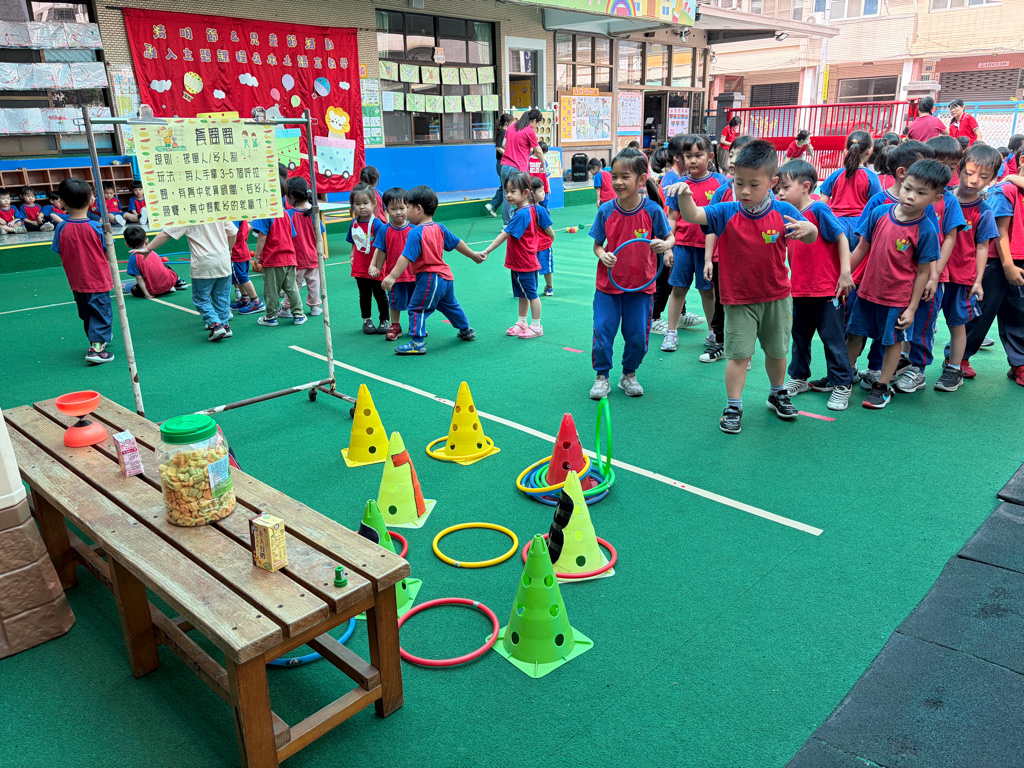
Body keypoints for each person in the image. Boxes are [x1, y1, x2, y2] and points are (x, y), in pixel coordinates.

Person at [672, 140, 817, 433]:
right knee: (738, 356)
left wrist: (810, 229)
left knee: (777, 352)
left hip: (777, 297)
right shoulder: (726, 211)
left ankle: (777, 393)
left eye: (754, 184)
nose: (745, 191)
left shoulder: (783, 210)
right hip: (738, 300)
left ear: (772, 183)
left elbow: (811, 236)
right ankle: (733, 405)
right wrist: (685, 195)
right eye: (739, 183)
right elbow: (693, 215)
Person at [847, 159, 947, 409]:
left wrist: (912, 308)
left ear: (936, 198)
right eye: (908, 188)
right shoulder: (879, 212)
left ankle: (882, 386)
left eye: (921, 193)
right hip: (867, 292)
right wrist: (843, 273)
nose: (911, 196)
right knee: (854, 335)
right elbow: (862, 248)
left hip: (897, 300)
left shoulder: (926, 229)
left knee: (892, 341)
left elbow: (923, 272)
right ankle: (843, 377)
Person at [588, 148, 673, 399]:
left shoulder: (652, 211)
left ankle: (629, 374)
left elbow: (670, 237)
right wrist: (602, 254)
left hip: (641, 287)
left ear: (641, 179)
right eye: (614, 176)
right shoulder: (606, 210)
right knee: (603, 331)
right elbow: (597, 245)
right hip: (608, 286)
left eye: (625, 177)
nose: (618, 182)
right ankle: (602, 376)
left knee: (637, 336)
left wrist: (665, 245)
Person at [776, 160, 856, 411]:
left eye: (785, 187)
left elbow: (841, 237)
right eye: (778, 188)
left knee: (832, 339)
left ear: (805, 186)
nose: (779, 193)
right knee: (799, 336)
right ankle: (799, 377)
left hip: (826, 290)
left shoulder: (819, 209)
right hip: (799, 289)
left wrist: (845, 273)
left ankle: (842, 383)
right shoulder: (785, 215)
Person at [380, 185, 486, 355]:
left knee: (416, 308)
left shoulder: (415, 232)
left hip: (429, 278)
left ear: (419, 209)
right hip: (446, 278)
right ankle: (466, 330)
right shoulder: (439, 227)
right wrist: (473, 255)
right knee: (450, 306)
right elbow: (457, 243)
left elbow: (405, 257)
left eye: (407, 207)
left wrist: (392, 276)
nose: (406, 212)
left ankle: (417, 342)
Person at [934, 143, 1001, 392]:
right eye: (969, 173)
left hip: (962, 277)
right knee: (919, 319)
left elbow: (983, 247)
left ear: (992, 180)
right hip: (932, 274)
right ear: (959, 169)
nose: (974, 180)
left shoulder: (984, 211)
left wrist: (978, 280)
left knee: (957, 324)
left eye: (983, 177)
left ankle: (954, 368)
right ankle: (909, 364)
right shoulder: (940, 198)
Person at [958, 146, 1024, 386]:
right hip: (999, 261)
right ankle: (958, 358)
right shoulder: (1006, 190)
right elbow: (1000, 232)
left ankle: (1019, 363)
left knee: (1019, 313)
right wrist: (1008, 265)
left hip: (1020, 261)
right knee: (980, 311)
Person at [662, 134, 727, 353]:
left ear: (710, 157)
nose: (692, 160)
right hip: (682, 245)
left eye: (698, 155)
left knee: (708, 292)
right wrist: (668, 246)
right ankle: (671, 332)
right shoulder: (679, 185)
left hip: (709, 249)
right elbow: (672, 217)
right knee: (678, 289)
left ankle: (713, 331)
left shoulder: (720, 183)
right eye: (688, 156)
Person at [701, 135, 757, 363]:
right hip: (722, 258)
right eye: (732, 154)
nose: (733, 159)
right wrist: (708, 259)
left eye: (740, 155)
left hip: (749, 260)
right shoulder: (722, 192)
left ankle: (746, 350)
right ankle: (721, 343)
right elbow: (710, 226)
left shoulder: (763, 194)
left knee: (746, 304)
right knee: (722, 301)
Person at [480, 171, 554, 340]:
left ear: (526, 193)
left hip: (524, 262)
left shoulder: (521, 213)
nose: (508, 195)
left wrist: (487, 250)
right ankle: (522, 322)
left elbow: (504, 234)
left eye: (513, 191)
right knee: (522, 294)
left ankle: (536, 325)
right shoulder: (528, 210)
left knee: (531, 295)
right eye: (506, 191)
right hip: (520, 262)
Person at [137, 218, 239, 341]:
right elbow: (233, 233)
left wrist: (148, 249)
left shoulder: (188, 216)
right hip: (223, 259)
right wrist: (227, 249)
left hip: (203, 262)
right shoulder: (217, 212)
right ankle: (225, 326)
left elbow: (167, 233)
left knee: (200, 298)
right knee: (222, 296)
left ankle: (215, 325)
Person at [51, 178, 114, 363]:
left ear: (61, 202)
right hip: (98, 280)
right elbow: (108, 253)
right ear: (92, 200)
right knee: (101, 312)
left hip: (77, 281)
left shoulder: (61, 228)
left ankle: (98, 339)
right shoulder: (98, 228)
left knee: (86, 312)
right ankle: (96, 349)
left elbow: (61, 254)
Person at [820, 131, 880, 249]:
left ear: (845, 151)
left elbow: (822, 202)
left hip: (836, 224)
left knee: (837, 258)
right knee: (855, 258)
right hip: (859, 226)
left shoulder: (836, 174)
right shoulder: (871, 177)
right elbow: (876, 205)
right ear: (869, 152)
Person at [369, 187, 415, 341]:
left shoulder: (414, 229)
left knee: (415, 302)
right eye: (393, 209)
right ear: (386, 209)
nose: (398, 212)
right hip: (394, 277)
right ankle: (395, 326)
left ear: (408, 207)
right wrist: (377, 268)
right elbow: (381, 250)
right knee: (395, 303)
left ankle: (415, 325)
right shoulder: (384, 230)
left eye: (402, 208)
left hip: (414, 275)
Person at [252, 201, 306, 329]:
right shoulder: (285, 213)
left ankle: (271, 317)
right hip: (289, 257)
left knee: (271, 289)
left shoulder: (265, 213)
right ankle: (298, 315)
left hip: (273, 259)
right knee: (292, 288)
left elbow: (262, 235)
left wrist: (257, 255)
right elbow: (291, 234)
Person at [347, 183, 389, 334]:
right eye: (357, 204)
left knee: (380, 294)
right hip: (360, 266)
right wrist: (352, 255)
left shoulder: (377, 224)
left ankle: (384, 320)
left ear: (374, 203)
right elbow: (354, 241)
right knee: (364, 295)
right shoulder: (354, 223)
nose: (362, 207)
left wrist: (377, 266)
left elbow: (382, 246)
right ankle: (367, 319)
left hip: (376, 266)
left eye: (365, 203)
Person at [281, 177, 325, 320]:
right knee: (314, 283)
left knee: (293, 285)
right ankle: (315, 307)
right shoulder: (313, 213)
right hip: (313, 255)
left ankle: (287, 308)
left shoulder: (289, 215)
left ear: (291, 197)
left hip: (296, 258)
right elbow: (320, 234)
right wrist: (322, 252)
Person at [500, 109, 545, 224]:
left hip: (505, 166)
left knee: (507, 195)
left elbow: (504, 144)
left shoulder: (512, 126)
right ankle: (525, 220)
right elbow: (538, 150)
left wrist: (513, 150)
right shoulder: (529, 131)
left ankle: (507, 224)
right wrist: (543, 163)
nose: (537, 126)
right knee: (524, 194)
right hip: (518, 168)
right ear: (533, 121)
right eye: (538, 124)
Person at [122, 224, 186, 298]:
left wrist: (147, 295)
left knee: (134, 290)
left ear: (127, 244)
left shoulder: (133, 257)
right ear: (146, 241)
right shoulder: (152, 251)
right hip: (168, 283)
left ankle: (165, 289)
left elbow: (139, 278)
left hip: (153, 290)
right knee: (165, 266)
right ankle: (179, 282)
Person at [228, 220, 264, 315]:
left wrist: (229, 248)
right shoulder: (241, 218)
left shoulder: (234, 218)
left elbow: (232, 233)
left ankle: (256, 301)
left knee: (242, 277)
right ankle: (245, 298)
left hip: (236, 252)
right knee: (239, 277)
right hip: (242, 250)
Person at [485, 113, 514, 218]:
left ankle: (493, 206)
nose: (513, 125)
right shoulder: (503, 132)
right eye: (511, 123)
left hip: (501, 163)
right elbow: (498, 147)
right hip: (502, 163)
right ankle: (496, 207)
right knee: (507, 187)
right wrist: (508, 154)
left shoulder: (503, 132)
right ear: (507, 123)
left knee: (504, 186)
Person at [531, 176, 554, 296]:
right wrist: (553, 236)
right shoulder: (541, 210)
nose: (544, 193)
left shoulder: (524, 210)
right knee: (547, 268)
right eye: (540, 191)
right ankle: (549, 287)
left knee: (532, 268)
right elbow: (547, 227)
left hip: (531, 246)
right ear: (531, 194)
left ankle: (532, 289)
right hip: (544, 244)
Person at [528, 141, 551, 209]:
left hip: (543, 188)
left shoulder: (544, 161)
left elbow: (547, 175)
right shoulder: (529, 160)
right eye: (542, 152)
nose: (542, 154)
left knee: (544, 205)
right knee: (532, 205)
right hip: (532, 187)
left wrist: (548, 187)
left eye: (544, 153)